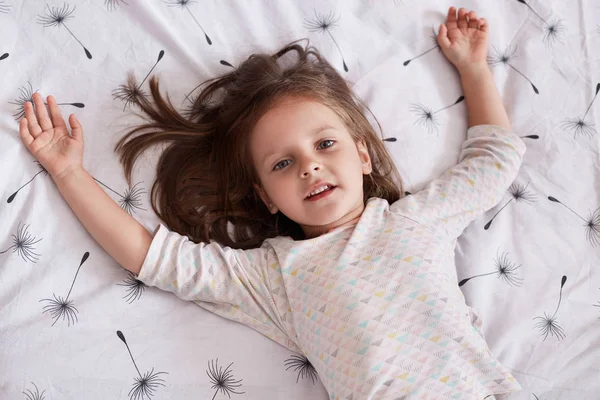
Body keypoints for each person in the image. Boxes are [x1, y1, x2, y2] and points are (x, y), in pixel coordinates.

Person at [19, 6, 524, 399]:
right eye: (282, 164)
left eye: (325, 145)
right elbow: (151, 257)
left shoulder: (416, 220)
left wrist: (473, 68)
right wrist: (68, 173)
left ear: (364, 156)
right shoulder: (278, 275)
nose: (309, 166)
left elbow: (494, 161)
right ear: (265, 197)